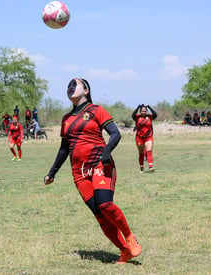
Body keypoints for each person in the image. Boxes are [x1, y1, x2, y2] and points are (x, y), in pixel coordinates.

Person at [44, 78, 141, 264]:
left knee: (105, 205)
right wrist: (52, 172)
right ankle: (124, 251)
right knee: (100, 216)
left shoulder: (97, 110)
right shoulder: (66, 119)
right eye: (67, 86)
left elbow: (115, 133)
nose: (70, 87)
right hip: (79, 173)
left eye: (75, 84)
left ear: (86, 90)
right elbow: (64, 148)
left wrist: (106, 152)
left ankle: (129, 236)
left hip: (100, 165)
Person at [131, 104, 158, 173]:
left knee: (149, 151)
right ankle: (141, 167)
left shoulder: (150, 117)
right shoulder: (137, 117)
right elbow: (133, 115)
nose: (144, 112)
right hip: (139, 138)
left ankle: (150, 167)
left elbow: (155, 115)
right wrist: (138, 107)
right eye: (142, 111)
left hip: (148, 137)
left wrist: (149, 107)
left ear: (146, 111)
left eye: (145, 111)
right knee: (141, 153)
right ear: (140, 112)